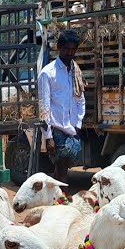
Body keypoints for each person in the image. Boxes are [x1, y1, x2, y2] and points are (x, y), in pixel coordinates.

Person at [38, 29, 87, 183]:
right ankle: (61, 201)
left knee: (64, 169)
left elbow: (80, 99)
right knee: (61, 172)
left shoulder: (75, 71)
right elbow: (44, 107)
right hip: (56, 129)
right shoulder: (48, 73)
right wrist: (48, 137)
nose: (69, 53)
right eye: (66, 49)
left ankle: (58, 199)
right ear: (59, 47)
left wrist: (78, 124)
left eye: (73, 49)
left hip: (71, 129)